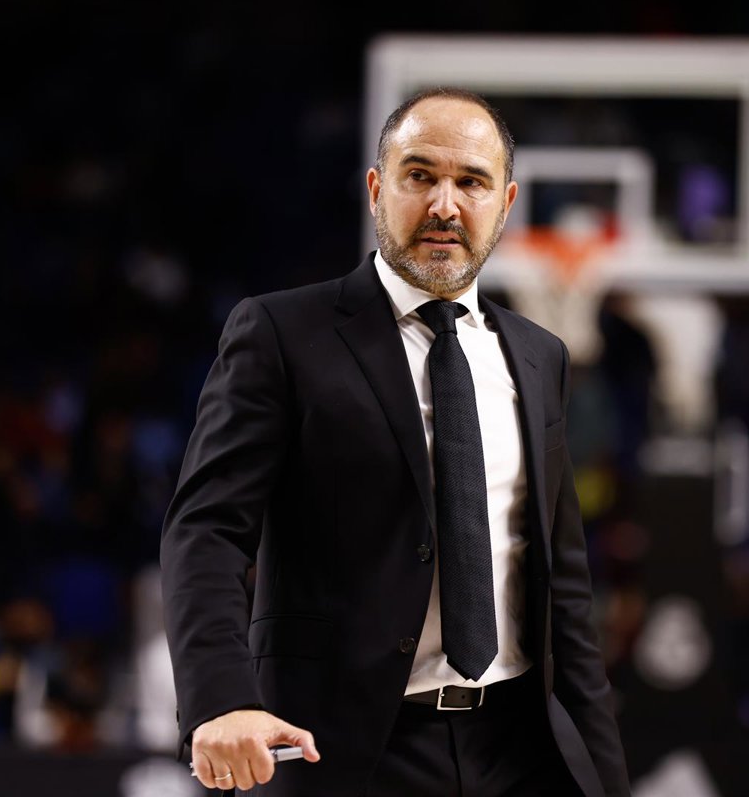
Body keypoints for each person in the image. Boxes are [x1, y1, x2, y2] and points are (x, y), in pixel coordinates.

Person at [160, 87, 631, 796]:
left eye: (471, 182)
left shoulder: (541, 357)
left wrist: (605, 774)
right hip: (347, 751)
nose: (445, 204)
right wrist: (221, 697)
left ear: (505, 204)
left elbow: (563, 587)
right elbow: (206, 531)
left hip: (521, 747)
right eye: (420, 176)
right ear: (378, 190)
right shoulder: (281, 333)